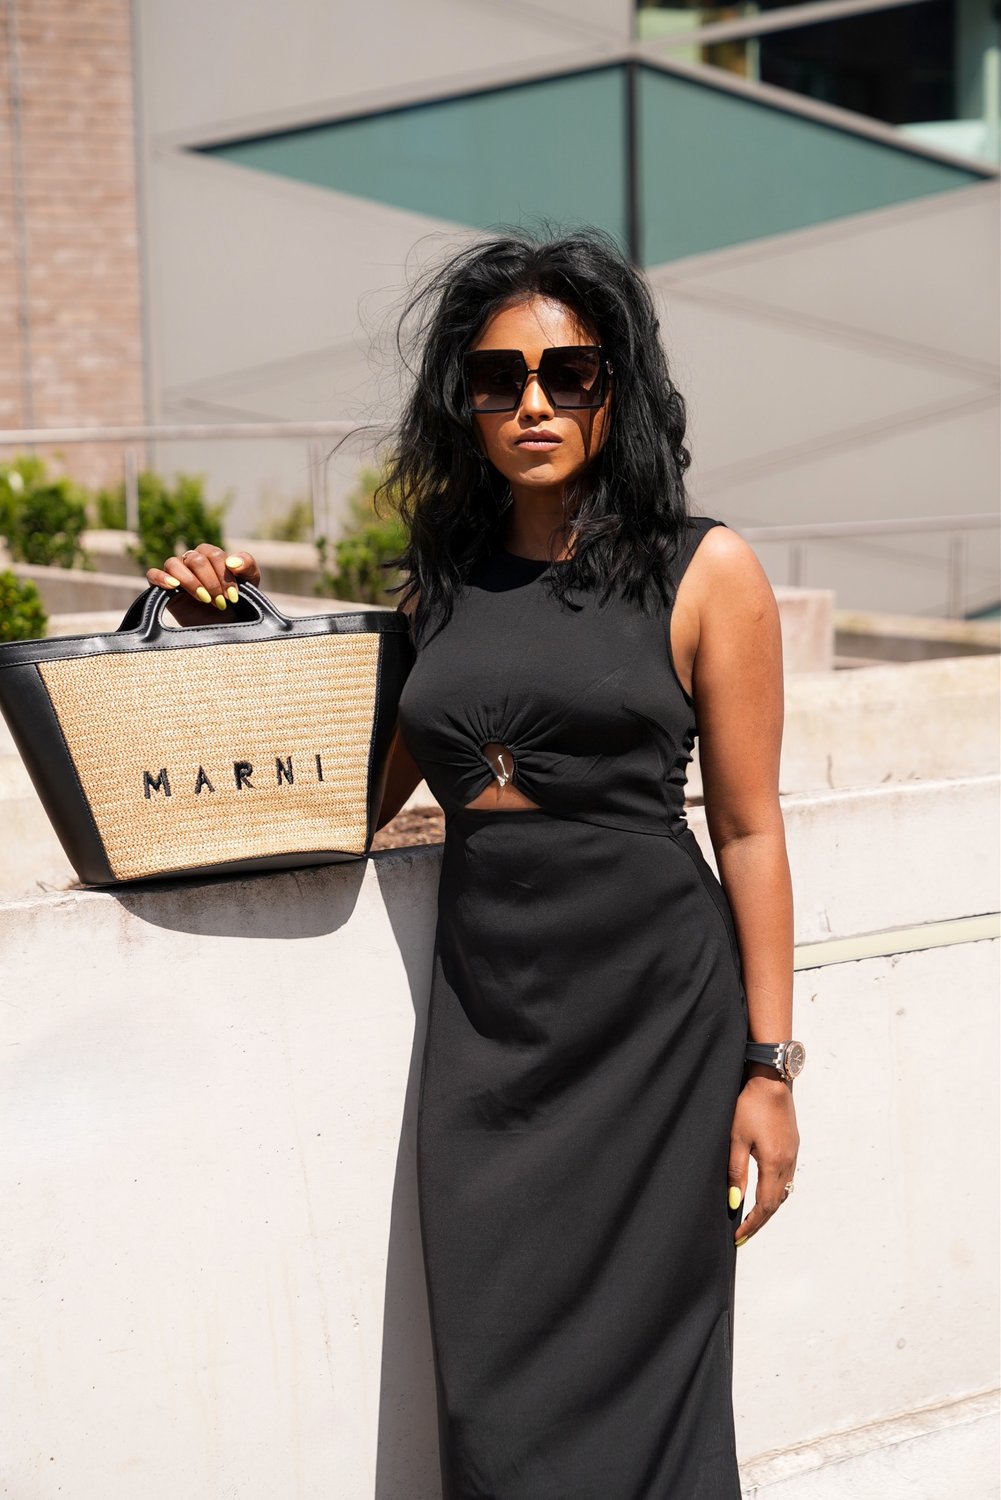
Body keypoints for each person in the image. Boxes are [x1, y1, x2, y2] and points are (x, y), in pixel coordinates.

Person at [148, 229, 802, 1499]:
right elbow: (338, 793)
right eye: (500, 379)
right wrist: (218, 627)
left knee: (657, 1381)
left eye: (571, 372)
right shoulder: (440, 586)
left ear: (621, 386)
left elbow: (752, 830)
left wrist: (769, 1070)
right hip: (487, 1036)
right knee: (494, 1398)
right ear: (467, 400)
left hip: (658, 1028)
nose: (536, 403)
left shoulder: (705, 567)